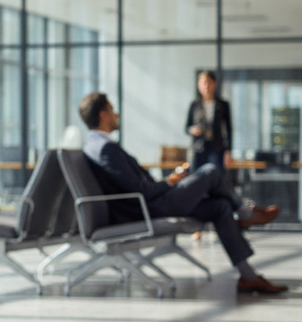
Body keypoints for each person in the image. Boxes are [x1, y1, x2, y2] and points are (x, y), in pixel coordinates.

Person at [78, 92, 286, 295]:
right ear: (103, 115)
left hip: (150, 202)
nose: (117, 115)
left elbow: (135, 185)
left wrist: (170, 182)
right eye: (112, 111)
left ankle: (248, 276)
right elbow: (140, 190)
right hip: (149, 207)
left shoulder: (96, 145)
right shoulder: (105, 148)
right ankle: (244, 213)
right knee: (210, 171)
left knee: (220, 207)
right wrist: (168, 182)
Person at [186, 70, 233, 173]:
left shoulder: (223, 105)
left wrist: (228, 151)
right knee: (196, 177)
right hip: (198, 148)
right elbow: (187, 127)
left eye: (209, 82)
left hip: (217, 147)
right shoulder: (194, 105)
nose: (206, 86)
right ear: (198, 85)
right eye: (203, 82)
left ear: (214, 84)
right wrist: (193, 130)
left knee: (217, 177)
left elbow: (228, 128)